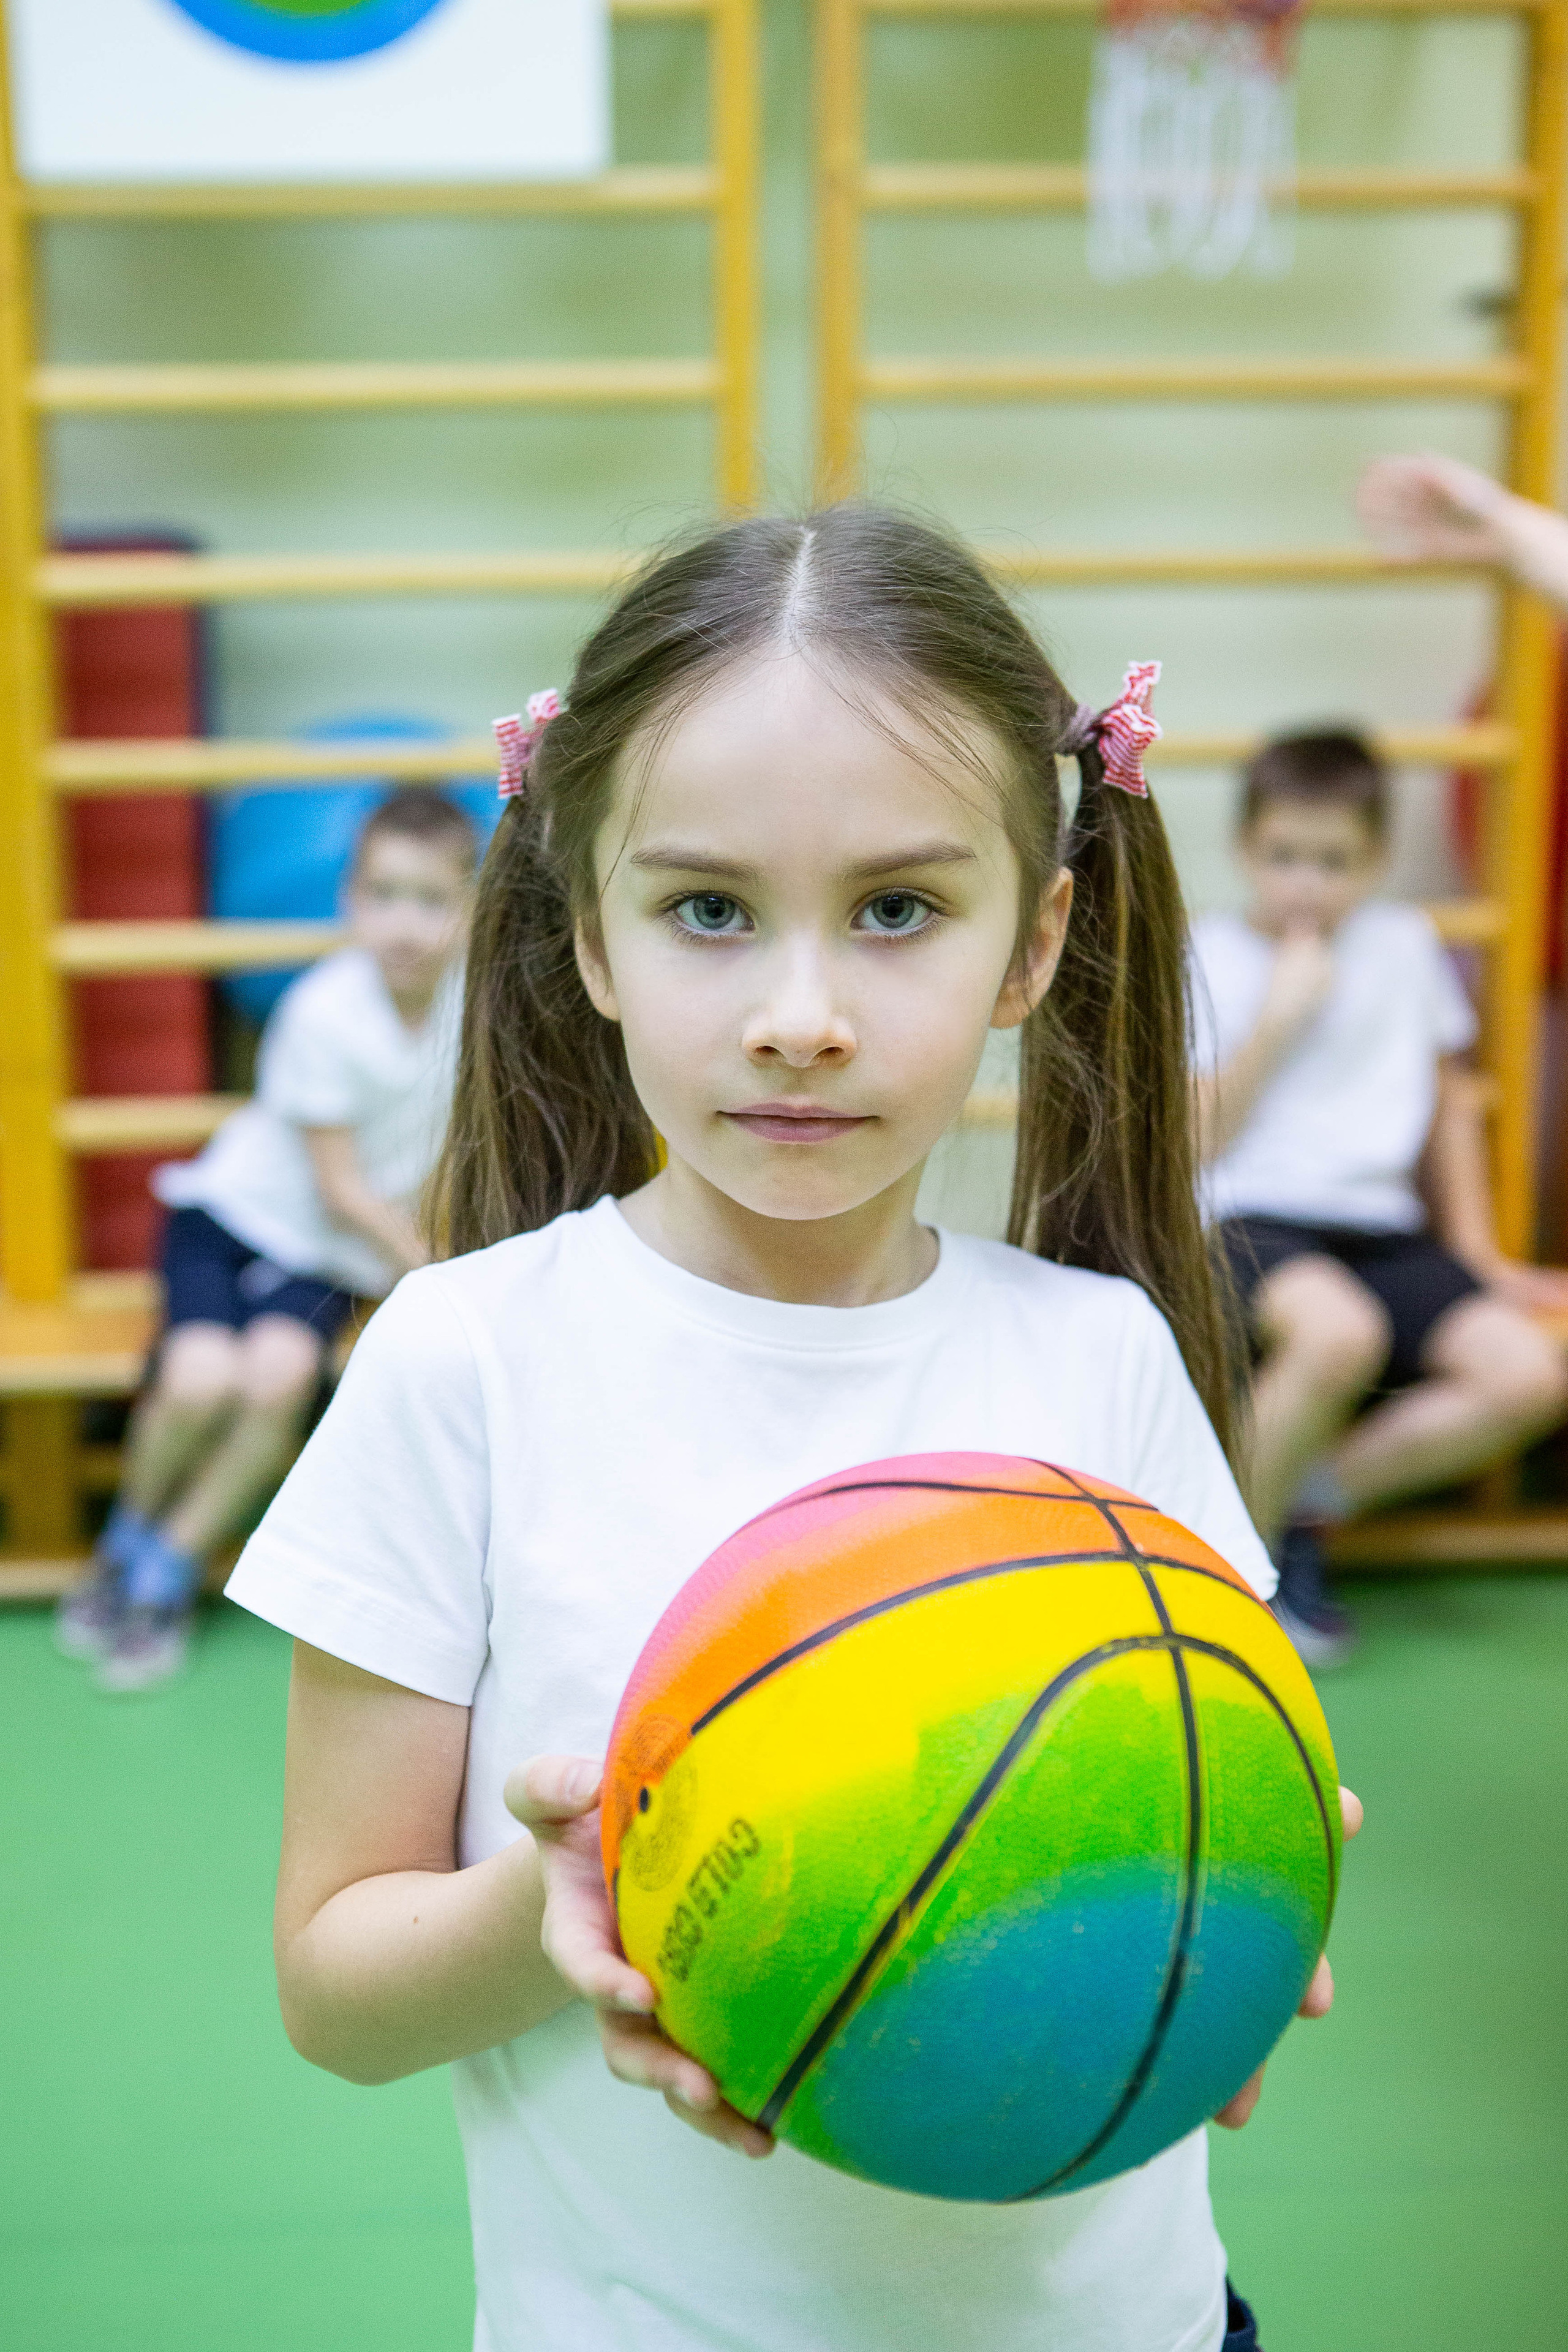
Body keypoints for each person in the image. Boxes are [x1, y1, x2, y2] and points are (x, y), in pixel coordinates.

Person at [225, 510, 1360, 2352]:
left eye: (898, 910)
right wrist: (581, 1898)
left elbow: (1190, 1832)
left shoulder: (1102, 1358)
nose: (801, 1018)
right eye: (708, 911)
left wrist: (1239, 1882)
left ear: (1032, 944)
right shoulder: (464, 1363)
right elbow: (334, 1994)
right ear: (590, 938)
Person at [56, 786, 477, 1695]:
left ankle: (166, 1568)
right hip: (232, 1221)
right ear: (349, 902)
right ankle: (123, 1543)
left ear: (470, 910)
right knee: (202, 1377)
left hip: (326, 1256)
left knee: (280, 1379)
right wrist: (439, 1272)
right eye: (384, 895)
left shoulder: (470, 1015)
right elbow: (341, 1187)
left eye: (431, 899)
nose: (404, 924)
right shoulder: (325, 1012)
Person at [1191, 729, 1568, 1670]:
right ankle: (1231, 1576)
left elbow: (1445, 1109)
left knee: (1531, 1374)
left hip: (1383, 1228)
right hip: (1249, 1215)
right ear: (1245, 848)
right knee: (1338, 1334)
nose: (1306, 883)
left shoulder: (1404, 944)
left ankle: (1302, 1505)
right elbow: (1197, 1140)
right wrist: (1279, 1018)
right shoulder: (1210, 952)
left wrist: (1477, 1256)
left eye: (1334, 861)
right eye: (1284, 856)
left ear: (1375, 860)